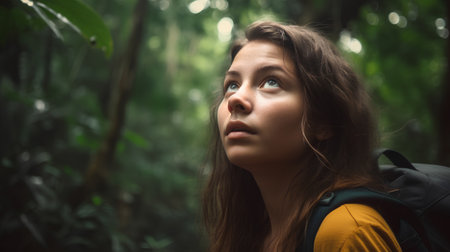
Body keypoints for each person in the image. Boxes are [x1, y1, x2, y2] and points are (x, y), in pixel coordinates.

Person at [202, 21, 402, 252]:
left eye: (271, 82)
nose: (236, 99)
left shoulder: (345, 232)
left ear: (323, 122)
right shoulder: (250, 233)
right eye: (232, 85)